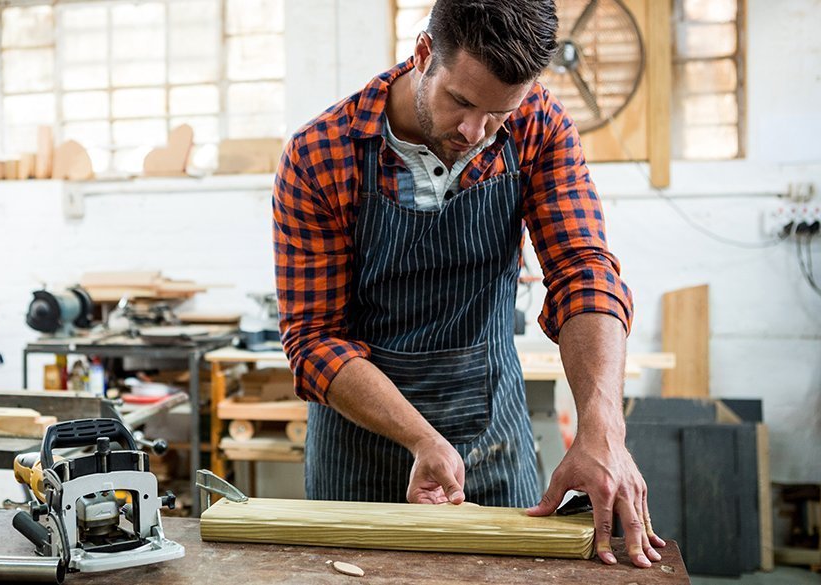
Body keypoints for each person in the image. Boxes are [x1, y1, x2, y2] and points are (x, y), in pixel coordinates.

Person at [272, 0, 666, 569]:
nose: (476, 132)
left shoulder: (539, 127)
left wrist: (603, 429)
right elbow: (313, 341)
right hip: (359, 451)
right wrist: (421, 439)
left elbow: (584, 273)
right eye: (461, 101)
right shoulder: (320, 155)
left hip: (495, 440)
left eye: (499, 113)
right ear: (424, 54)